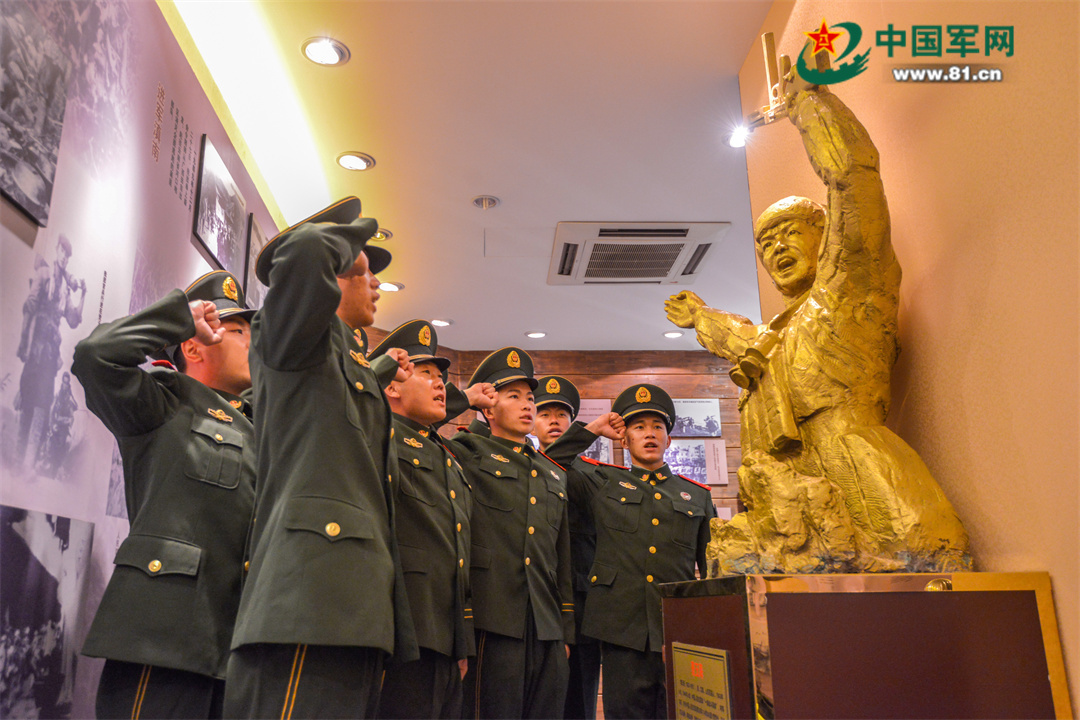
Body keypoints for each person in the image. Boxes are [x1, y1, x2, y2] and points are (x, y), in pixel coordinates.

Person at [664, 78, 970, 574]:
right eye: (766, 245)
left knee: (919, 576)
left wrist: (810, 104)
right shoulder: (778, 334)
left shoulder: (847, 292)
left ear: (824, 234)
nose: (777, 249)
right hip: (792, 496)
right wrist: (700, 316)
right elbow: (746, 339)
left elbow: (855, 181)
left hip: (862, 475)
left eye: (789, 233)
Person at [225, 197, 417, 719]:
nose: (376, 283)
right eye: (365, 268)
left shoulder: (344, 363)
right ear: (332, 273)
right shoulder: (294, 339)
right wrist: (356, 230)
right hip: (304, 601)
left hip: (355, 608)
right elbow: (305, 248)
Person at [72, 270, 256, 719]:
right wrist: (179, 318)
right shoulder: (164, 402)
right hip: (163, 640)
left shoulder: (263, 428)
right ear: (194, 346)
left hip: (234, 650)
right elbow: (95, 356)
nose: (252, 343)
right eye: (238, 331)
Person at [546, 384, 715, 719]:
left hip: (676, 630)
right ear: (624, 440)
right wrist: (594, 429)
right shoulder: (602, 482)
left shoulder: (696, 496)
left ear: (669, 440)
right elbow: (551, 460)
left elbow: (711, 569)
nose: (649, 434)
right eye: (638, 427)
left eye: (657, 427)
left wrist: (702, 631)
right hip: (621, 630)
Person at [368, 320, 495, 719]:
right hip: (402, 633)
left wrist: (461, 641)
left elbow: (455, 555)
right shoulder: (380, 436)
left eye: (442, 377)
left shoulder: (443, 453)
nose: (440, 384)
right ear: (392, 386)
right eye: (426, 374)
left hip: (443, 635)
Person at [448, 349, 575, 719]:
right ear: (489, 408)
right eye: (513, 396)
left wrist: (565, 630)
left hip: (546, 625)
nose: (527, 405)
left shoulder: (553, 473)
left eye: (530, 398)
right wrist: (465, 399)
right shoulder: (466, 452)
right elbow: (417, 429)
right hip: (493, 620)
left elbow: (561, 556)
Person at [532, 376, 600, 720]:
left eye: (562, 414)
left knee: (580, 700)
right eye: (544, 414)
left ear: (572, 422)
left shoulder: (594, 475)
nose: (554, 421)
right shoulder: (525, 467)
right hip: (537, 598)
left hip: (582, 602)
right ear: (532, 421)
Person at [16, 234, 86, 471]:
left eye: (68, 255)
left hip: (50, 354)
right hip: (35, 348)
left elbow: (73, 319)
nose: (65, 257)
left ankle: (27, 465)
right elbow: (30, 304)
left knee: (43, 405)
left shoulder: (66, 287)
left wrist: (83, 295)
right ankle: (17, 461)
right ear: (57, 250)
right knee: (27, 401)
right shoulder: (44, 274)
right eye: (62, 252)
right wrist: (23, 341)